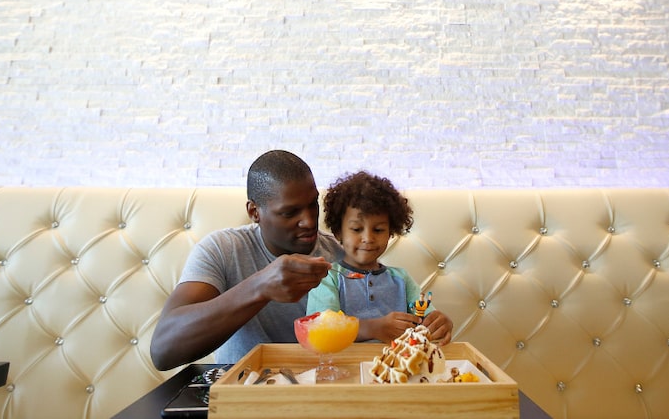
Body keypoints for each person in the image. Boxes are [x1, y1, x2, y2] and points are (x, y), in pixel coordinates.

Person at [150, 150, 344, 370]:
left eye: (313, 205)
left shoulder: (338, 255)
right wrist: (260, 287)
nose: (309, 222)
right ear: (254, 212)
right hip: (242, 392)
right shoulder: (223, 249)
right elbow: (162, 350)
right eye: (290, 213)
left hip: (323, 389)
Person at [306, 171, 453, 345]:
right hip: (344, 367)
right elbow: (320, 329)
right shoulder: (327, 277)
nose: (368, 238)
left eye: (378, 230)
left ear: (391, 232)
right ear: (338, 231)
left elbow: (425, 318)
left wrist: (440, 324)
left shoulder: (401, 279)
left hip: (396, 367)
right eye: (356, 229)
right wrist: (373, 328)